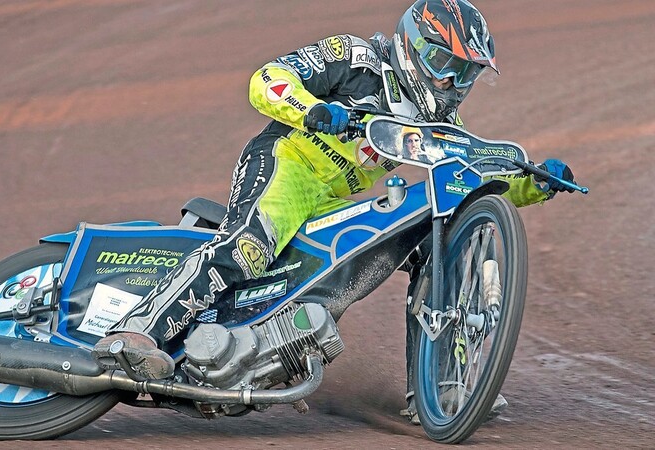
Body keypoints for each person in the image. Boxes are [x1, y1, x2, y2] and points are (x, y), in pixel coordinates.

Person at [93, 0, 575, 422]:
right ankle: (135, 335)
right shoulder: (357, 59)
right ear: (412, 42)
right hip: (289, 163)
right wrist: (309, 110)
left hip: (334, 199)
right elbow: (268, 77)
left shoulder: (440, 121)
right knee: (248, 248)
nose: (451, 81)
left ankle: (440, 387)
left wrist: (533, 181)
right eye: (443, 62)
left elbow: (467, 175)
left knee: (431, 242)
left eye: (465, 73)